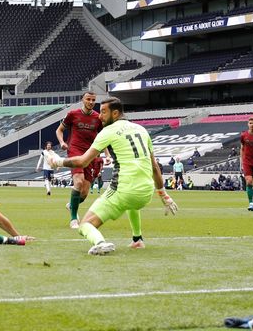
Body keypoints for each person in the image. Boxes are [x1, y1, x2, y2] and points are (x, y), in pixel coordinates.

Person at [46, 97, 177, 255]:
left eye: (103, 112)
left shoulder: (108, 131)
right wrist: (163, 195)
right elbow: (155, 167)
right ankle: (137, 240)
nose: (99, 116)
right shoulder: (141, 130)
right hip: (145, 192)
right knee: (132, 205)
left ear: (115, 113)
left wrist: (58, 161)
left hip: (123, 191)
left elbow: (83, 161)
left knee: (85, 225)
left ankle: (100, 243)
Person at [57, 91, 109, 229]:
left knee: (84, 193)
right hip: (75, 150)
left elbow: (102, 138)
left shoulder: (98, 118)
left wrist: (107, 155)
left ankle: (71, 205)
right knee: (78, 181)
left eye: (93, 100)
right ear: (82, 100)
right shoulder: (73, 114)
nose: (91, 102)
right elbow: (59, 130)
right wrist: (62, 142)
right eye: (88, 99)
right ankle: (74, 219)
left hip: (90, 154)